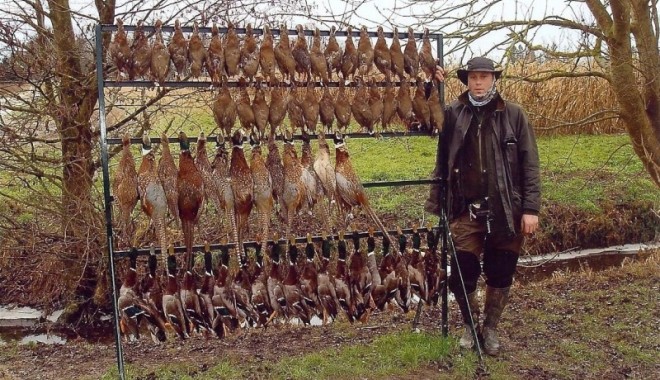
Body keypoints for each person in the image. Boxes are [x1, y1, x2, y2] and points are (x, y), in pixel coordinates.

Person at [425, 56, 541, 356]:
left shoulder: (514, 114)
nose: (478, 82)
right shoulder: (453, 113)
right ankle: (469, 325)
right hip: (465, 209)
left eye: (484, 77)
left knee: (501, 271)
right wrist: (431, 88)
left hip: (507, 209)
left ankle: (489, 328)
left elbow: (530, 164)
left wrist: (531, 209)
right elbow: (425, 122)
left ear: (493, 80)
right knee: (461, 273)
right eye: (473, 77)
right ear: (466, 80)